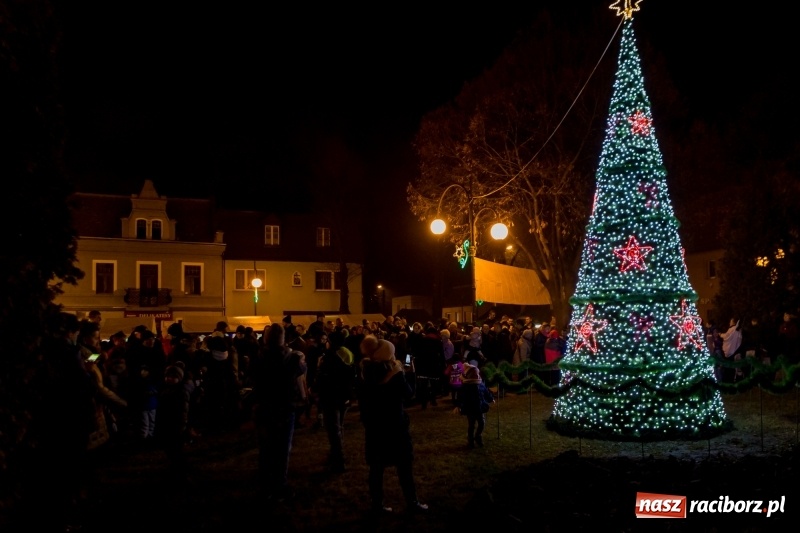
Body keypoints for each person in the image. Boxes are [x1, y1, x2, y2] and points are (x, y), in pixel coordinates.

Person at [357, 337, 428, 514]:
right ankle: (412, 502)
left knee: (376, 468)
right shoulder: (396, 375)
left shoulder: (365, 372)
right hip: (395, 425)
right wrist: (410, 373)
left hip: (375, 427)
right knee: (404, 466)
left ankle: (377, 504)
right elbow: (409, 394)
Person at [249, 323, 306, 500]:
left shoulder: (258, 357)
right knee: (282, 448)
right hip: (284, 407)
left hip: (264, 406)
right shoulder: (293, 359)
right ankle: (279, 484)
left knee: (266, 447)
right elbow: (301, 373)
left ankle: (265, 483)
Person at [313, 330, 355, 473]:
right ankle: (336, 454)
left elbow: (323, 379)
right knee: (338, 427)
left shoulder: (329, 359)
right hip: (343, 396)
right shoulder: (344, 356)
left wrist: (316, 388)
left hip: (331, 397)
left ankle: (338, 459)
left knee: (333, 429)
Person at [454, 363, 495, 448]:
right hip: (470, 408)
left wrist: (491, 399)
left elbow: (486, 392)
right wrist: (458, 406)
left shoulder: (480, 384)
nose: (477, 375)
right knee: (471, 425)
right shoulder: (465, 386)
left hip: (480, 407)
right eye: (474, 373)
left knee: (482, 423)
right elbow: (461, 397)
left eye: (477, 373)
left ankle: (478, 436)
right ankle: (470, 440)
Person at [719, 318, 743, 382]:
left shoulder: (732, 329)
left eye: (730, 321)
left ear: (733, 322)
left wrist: (720, 334)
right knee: (735, 367)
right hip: (736, 349)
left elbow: (727, 337)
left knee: (730, 367)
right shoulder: (738, 329)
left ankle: (729, 379)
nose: (729, 323)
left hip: (731, 351)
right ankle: (735, 379)